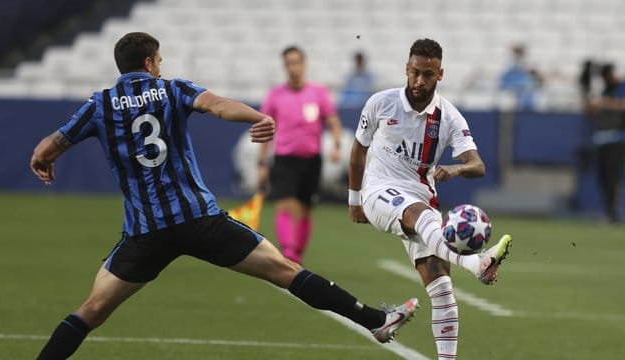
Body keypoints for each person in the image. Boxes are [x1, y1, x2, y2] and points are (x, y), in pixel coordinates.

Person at [30, 32, 418, 359]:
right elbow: (215, 106)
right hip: (200, 220)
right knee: (285, 270)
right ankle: (376, 320)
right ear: (149, 63)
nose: (161, 66)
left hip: (146, 232)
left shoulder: (99, 105)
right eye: (159, 60)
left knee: (93, 309)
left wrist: (43, 160)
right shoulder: (171, 89)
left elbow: (49, 146)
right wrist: (258, 118)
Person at [348, 38, 513, 360]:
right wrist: (355, 199)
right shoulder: (381, 103)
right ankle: (475, 263)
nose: (419, 81)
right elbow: (358, 151)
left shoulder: (449, 117)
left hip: (422, 198)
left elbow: (477, 165)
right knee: (422, 217)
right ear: (406, 69)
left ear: (440, 74)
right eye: (414, 72)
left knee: (442, 291)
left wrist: (455, 169)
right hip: (380, 190)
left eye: (427, 74)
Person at [258, 46, 343, 264]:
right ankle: (288, 252)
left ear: (304, 64)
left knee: (305, 208)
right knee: (285, 203)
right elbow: (265, 128)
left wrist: (336, 145)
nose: (293, 68)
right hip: (285, 158)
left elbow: (332, 120)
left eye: (297, 62)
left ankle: (298, 253)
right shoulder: (275, 95)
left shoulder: (318, 92)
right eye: (289, 63)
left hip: (311, 159)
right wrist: (262, 162)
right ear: (284, 66)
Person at [586, 63, 625, 223]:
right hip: (602, 139)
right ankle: (608, 212)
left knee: (612, 177)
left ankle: (612, 214)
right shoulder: (605, 90)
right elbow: (592, 114)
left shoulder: (620, 88)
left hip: (617, 139)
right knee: (603, 178)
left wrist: (604, 103)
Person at [498, 44, 541, 111]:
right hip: (513, 84)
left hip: (522, 85)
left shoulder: (526, 62)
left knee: (529, 88)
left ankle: (527, 108)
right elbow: (506, 77)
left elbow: (531, 74)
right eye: (516, 52)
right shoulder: (510, 63)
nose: (517, 54)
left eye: (519, 52)